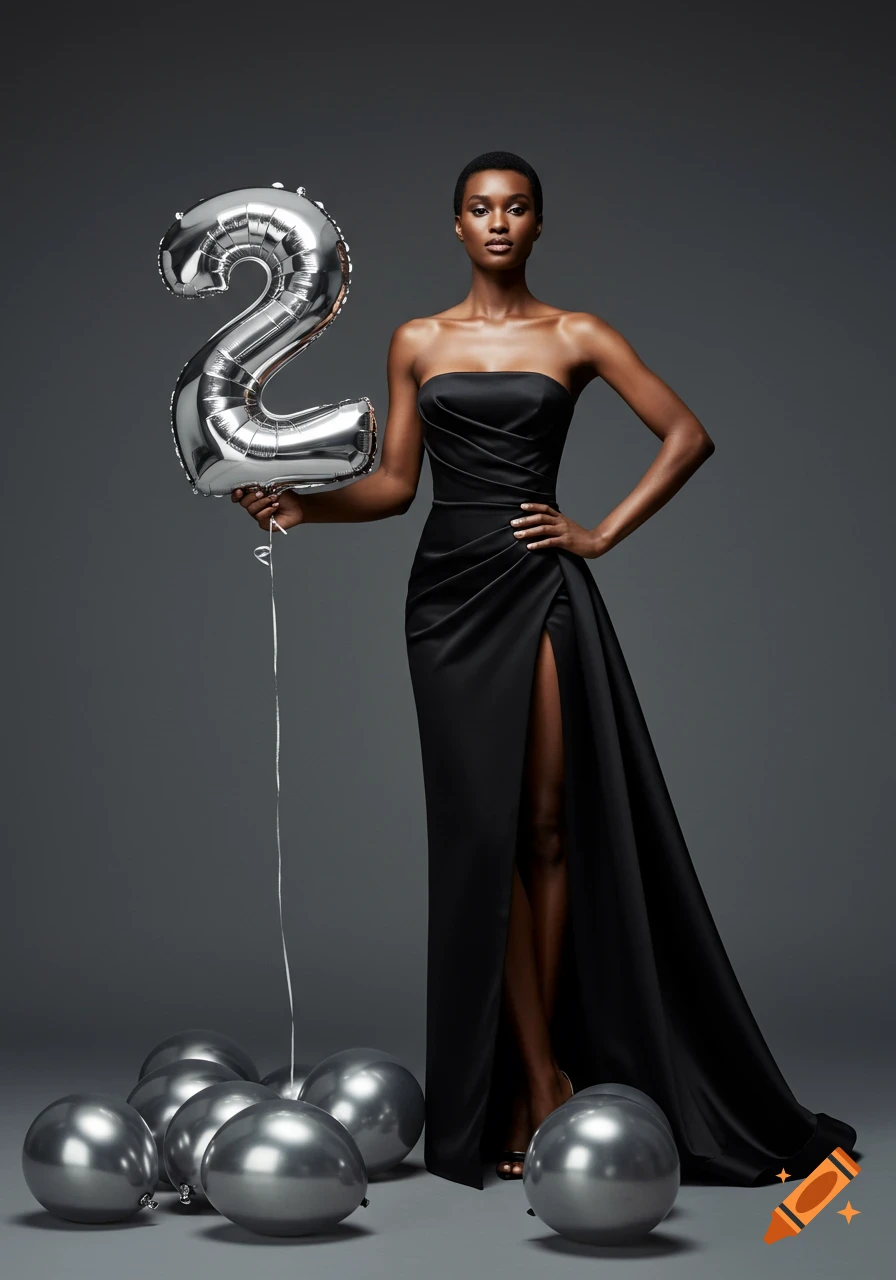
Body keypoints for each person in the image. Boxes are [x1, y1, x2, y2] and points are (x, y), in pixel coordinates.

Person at [232, 150, 857, 1190]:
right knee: (484, 837)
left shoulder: (577, 333)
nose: (497, 222)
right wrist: (305, 504)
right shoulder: (416, 339)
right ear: (456, 224)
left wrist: (599, 532)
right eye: (480, 207)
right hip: (447, 602)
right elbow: (396, 485)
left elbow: (685, 435)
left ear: (535, 224)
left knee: (550, 827)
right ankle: (533, 1078)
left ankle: (546, 1068)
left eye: (515, 207)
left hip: (539, 584)